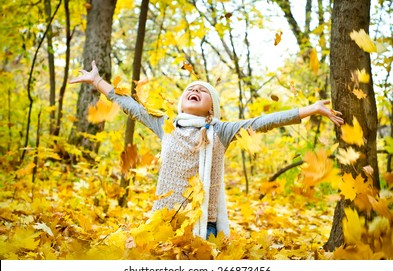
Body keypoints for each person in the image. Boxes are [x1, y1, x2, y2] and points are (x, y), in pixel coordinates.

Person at [69, 60, 344, 240]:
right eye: (191, 89)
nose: (195, 91)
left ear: (211, 107)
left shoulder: (220, 132)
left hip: (204, 227)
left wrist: (311, 109)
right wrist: (97, 82)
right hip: (163, 222)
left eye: (202, 91)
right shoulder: (166, 125)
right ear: (181, 102)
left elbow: (262, 123)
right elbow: (131, 107)